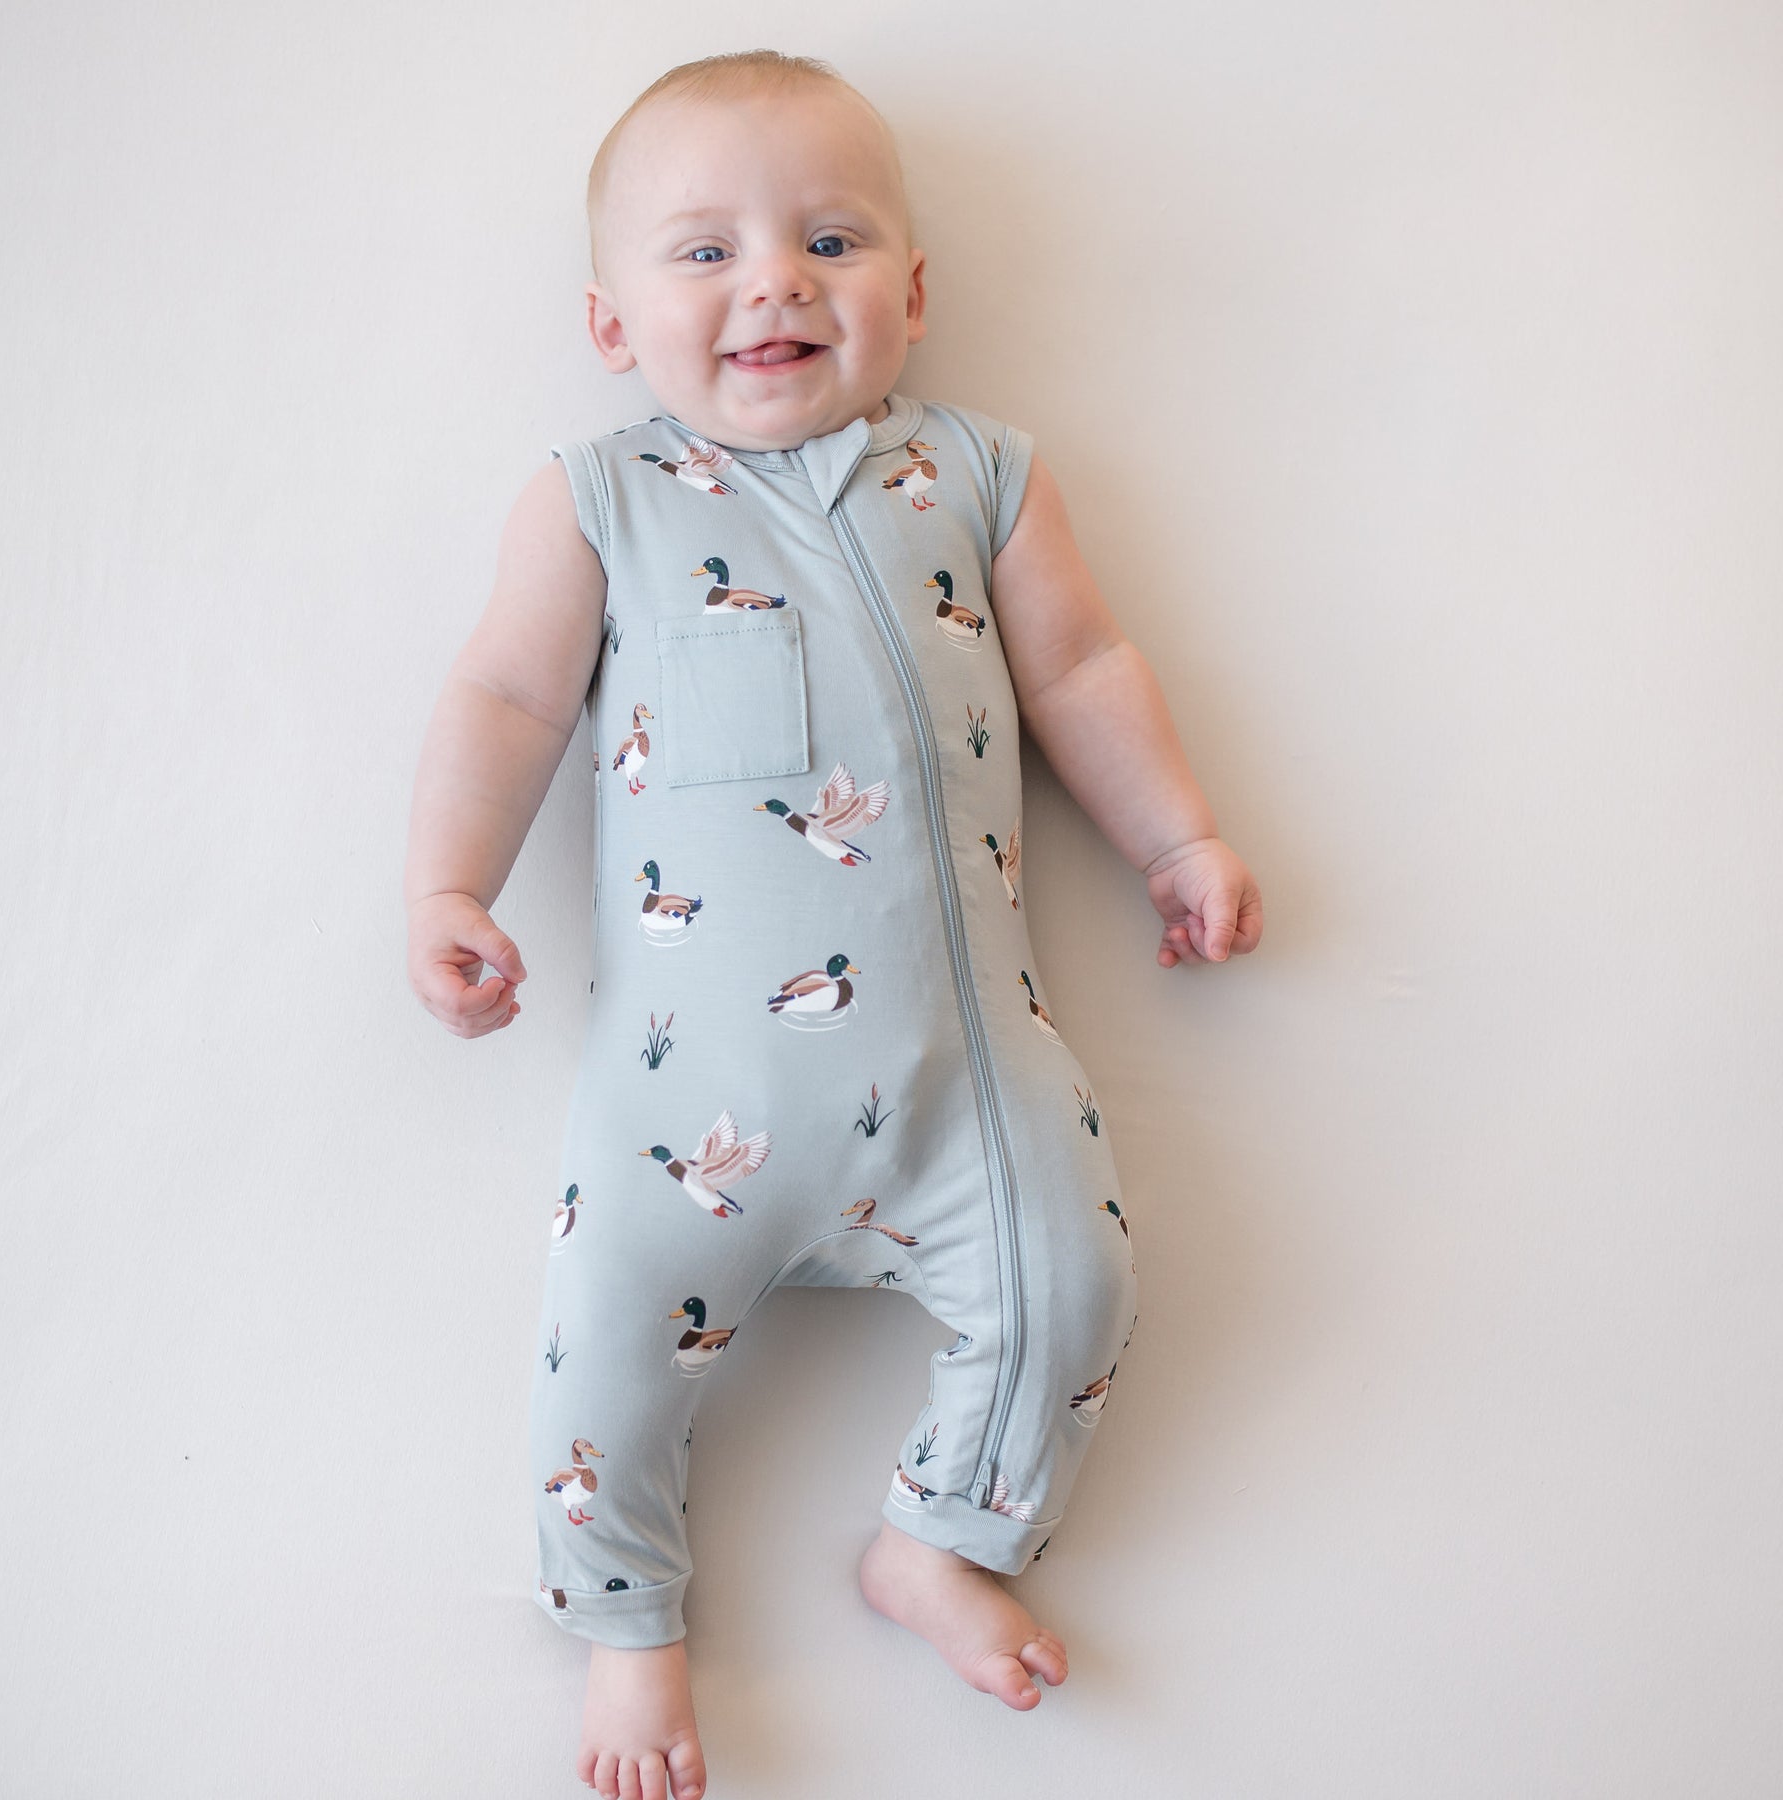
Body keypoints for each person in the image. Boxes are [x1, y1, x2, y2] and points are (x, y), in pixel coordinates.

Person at [404, 47, 1263, 1800]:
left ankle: (937, 1537)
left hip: (969, 1076)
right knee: (602, 1345)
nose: (776, 281)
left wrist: (1175, 835)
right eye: (702, 251)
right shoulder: (602, 502)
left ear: (916, 293)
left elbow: (1084, 668)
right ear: (607, 317)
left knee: (1075, 1273)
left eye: (833, 239)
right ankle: (629, 1623)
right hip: (681, 1103)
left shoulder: (979, 473)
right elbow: (502, 696)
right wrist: (448, 883)